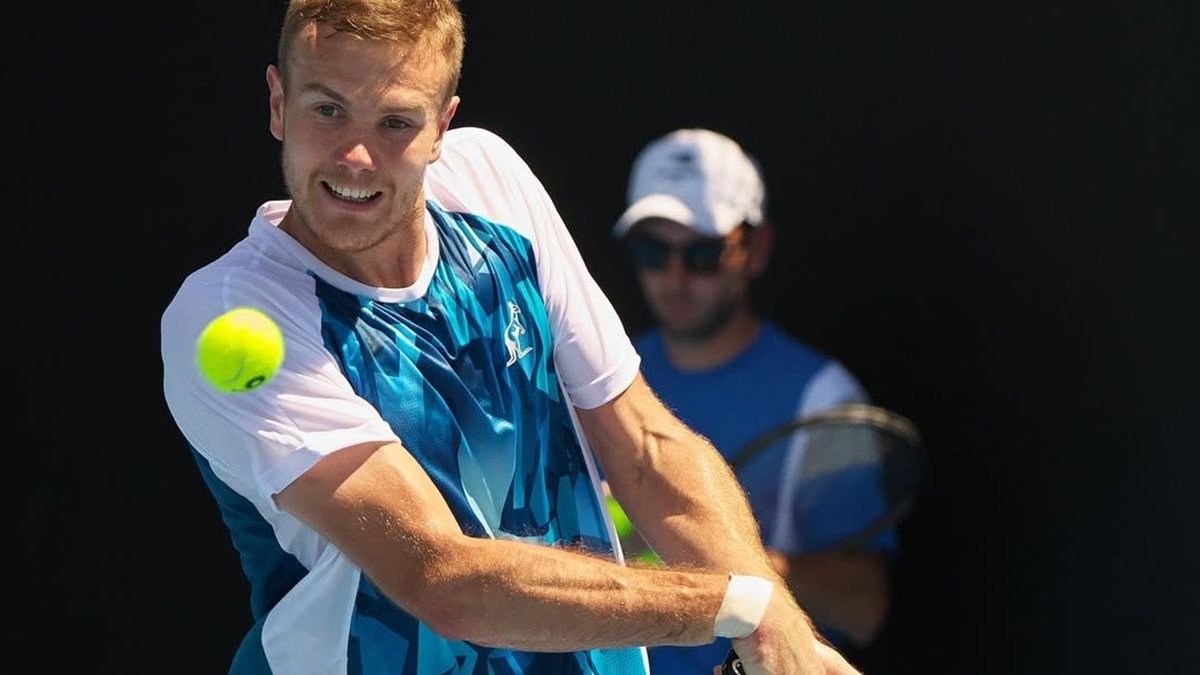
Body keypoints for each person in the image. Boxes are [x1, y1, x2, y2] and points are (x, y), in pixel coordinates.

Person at [159, 2, 864, 674]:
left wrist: (781, 630)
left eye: (396, 122)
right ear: (278, 103)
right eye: (328, 109)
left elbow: (645, 446)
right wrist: (738, 607)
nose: (357, 157)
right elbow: (441, 577)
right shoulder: (226, 314)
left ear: (443, 126)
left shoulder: (490, 182)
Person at [608, 128, 894, 674]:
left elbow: (863, 605)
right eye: (653, 251)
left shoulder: (823, 398)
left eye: (703, 253)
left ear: (755, 249)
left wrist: (725, 563)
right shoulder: (600, 378)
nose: (674, 277)